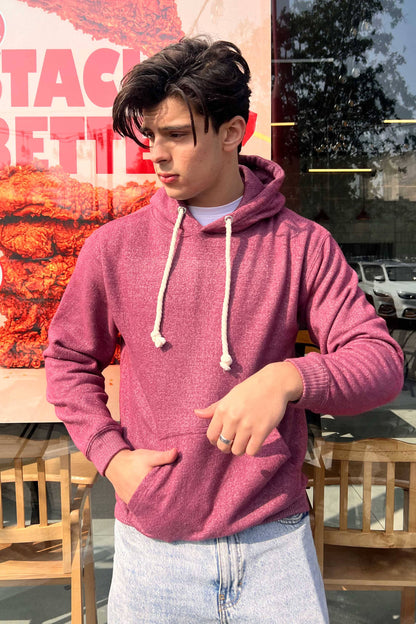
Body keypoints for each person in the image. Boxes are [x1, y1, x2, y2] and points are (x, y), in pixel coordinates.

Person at [44, 36, 403, 623]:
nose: (157, 154)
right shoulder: (115, 248)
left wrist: (287, 378)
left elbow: (381, 363)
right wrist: (113, 458)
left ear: (234, 131)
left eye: (177, 135)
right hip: (153, 551)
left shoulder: (301, 245)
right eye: (150, 135)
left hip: (274, 547)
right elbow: (67, 361)